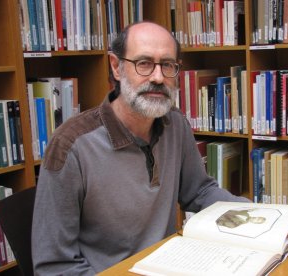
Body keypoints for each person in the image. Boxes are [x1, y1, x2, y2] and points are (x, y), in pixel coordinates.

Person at [31, 21, 249, 275]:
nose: (158, 77)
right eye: (144, 63)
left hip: (168, 265)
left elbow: (199, 191)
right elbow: (54, 266)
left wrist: (259, 214)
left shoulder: (174, 123)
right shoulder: (71, 146)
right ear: (116, 67)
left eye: (167, 65)